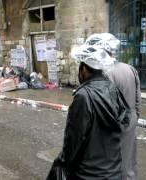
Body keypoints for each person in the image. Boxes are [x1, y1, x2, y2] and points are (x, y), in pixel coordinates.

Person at [47, 47, 131, 180]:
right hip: (114, 172)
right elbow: (125, 120)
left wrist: (61, 163)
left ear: (85, 69)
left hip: (88, 175)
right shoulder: (114, 89)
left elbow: (74, 139)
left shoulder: (84, 96)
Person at [85, 33, 141, 180]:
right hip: (130, 121)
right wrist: (133, 119)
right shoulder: (130, 69)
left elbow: (103, 107)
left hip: (113, 126)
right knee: (128, 159)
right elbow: (137, 101)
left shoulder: (103, 73)